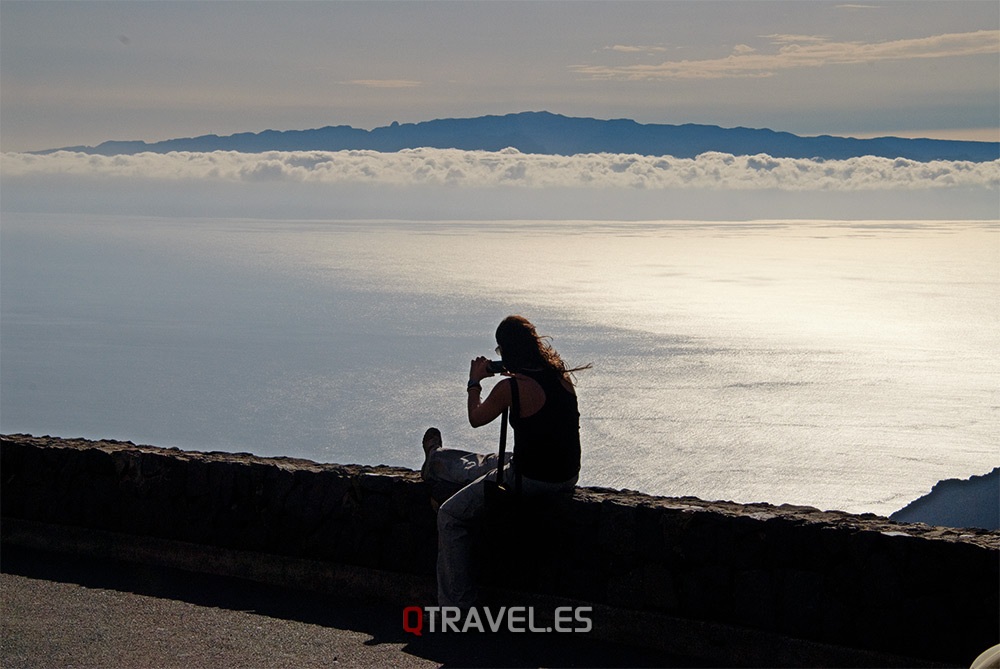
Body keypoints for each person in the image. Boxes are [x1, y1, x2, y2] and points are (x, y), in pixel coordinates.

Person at [421, 315, 589, 609]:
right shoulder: (561, 377)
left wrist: (475, 382)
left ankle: (457, 608)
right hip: (565, 476)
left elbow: (476, 418)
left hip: (531, 479)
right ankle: (437, 459)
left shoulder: (511, 388)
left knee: (449, 516)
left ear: (507, 351)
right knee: (492, 462)